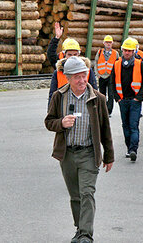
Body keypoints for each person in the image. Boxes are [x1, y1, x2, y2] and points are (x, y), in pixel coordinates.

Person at [45, 56, 114, 243]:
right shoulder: (59, 96)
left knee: (87, 193)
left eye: (84, 75)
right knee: (75, 196)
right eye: (77, 77)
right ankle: (79, 229)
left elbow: (105, 129)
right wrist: (61, 123)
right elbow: (49, 122)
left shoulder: (97, 99)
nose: (82, 80)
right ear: (68, 78)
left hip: (89, 153)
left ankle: (86, 234)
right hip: (67, 154)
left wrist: (109, 156)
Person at [111, 37, 143, 161]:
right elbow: (112, 83)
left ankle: (133, 149)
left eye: (129, 51)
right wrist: (117, 98)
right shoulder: (116, 64)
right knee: (125, 126)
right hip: (123, 101)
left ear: (133, 52)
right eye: (125, 50)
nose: (127, 53)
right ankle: (129, 148)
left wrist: (138, 97)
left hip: (135, 101)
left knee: (133, 126)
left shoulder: (140, 63)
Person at [48, 38, 98, 105]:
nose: (72, 57)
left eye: (75, 54)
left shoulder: (88, 70)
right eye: (69, 54)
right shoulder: (58, 72)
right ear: (64, 55)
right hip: (63, 106)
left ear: (78, 54)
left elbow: (94, 92)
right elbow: (52, 95)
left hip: (83, 105)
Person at [94, 35, 119, 116]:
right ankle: (103, 110)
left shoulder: (116, 53)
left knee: (111, 95)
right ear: (104, 43)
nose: (108, 44)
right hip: (101, 76)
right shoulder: (99, 52)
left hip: (111, 77)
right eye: (107, 42)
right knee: (102, 94)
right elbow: (96, 63)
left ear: (112, 43)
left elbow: (118, 65)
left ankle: (109, 111)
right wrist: (97, 74)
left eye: (110, 42)